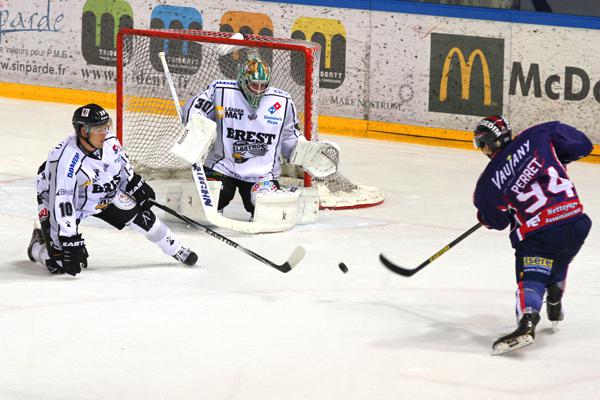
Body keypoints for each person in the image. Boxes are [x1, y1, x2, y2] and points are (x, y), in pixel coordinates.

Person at [26, 104, 198, 276]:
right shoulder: (65, 160)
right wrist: (69, 238)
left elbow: (123, 167)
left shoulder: (110, 141)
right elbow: (62, 202)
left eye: (105, 127)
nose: (104, 133)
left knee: (144, 218)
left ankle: (177, 249)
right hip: (64, 201)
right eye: (98, 129)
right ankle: (36, 245)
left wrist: (135, 185)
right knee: (60, 263)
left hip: (103, 193)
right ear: (84, 132)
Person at [472, 115, 593, 355]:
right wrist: (558, 157)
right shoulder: (539, 134)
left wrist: (485, 218)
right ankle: (555, 298)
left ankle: (527, 322)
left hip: (542, 234)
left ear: (491, 143)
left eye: (482, 143)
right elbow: (582, 146)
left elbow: (497, 222)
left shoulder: (487, 183)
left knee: (532, 275)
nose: (483, 149)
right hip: (576, 221)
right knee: (559, 257)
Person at [180, 56, 302, 218]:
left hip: (262, 175)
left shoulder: (283, 101)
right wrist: (198, 130)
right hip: (221, 167)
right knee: (206, 205)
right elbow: (192, 109)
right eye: (253, 85)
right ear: (242, 81)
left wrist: (302, 152)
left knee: (267, 213)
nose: (258, 90)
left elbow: (289, 136)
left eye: (263, 86)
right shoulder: (221, 91)